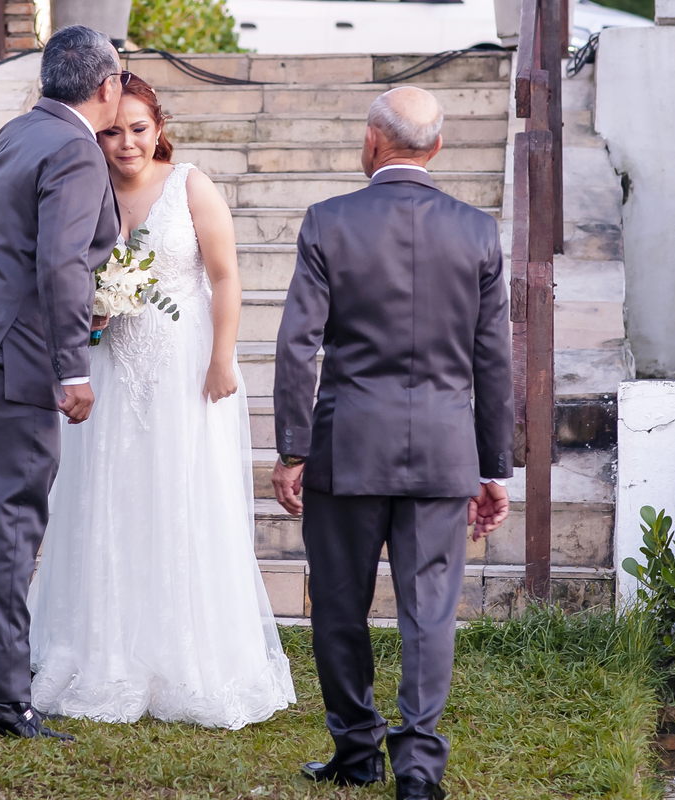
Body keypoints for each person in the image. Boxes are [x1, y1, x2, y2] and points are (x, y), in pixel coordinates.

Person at [26, 73, 296, 729]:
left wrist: (223, 358)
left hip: (185, 367)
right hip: (111, 366)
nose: (126, 144)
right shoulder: (88, 186)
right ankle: (105, 648)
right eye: (113, 131)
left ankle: (186, 652)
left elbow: (226, 277)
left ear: (160, 127)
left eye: (139, 129)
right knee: (109, 495)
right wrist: (93, 317)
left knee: (182, 493)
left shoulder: (191, 185)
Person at [272, 86, 514, 799]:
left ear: (373, 140)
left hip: (347, 448)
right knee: (430, 612)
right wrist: (492, 468)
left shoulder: (328, 221)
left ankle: (356, 752)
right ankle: (418, 771)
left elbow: (297, 346)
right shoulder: (478, 231)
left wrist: (292, 448)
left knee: (339, 607)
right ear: (436, 147)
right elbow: (493, 359)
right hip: (443, 452)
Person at [0, 25, 124, 741]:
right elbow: (62, 264)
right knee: (9, 531)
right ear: (107, 86)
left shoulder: (18, 131)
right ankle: (2, 701)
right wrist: (74, 367)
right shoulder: (75, 148)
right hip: (13, 361)